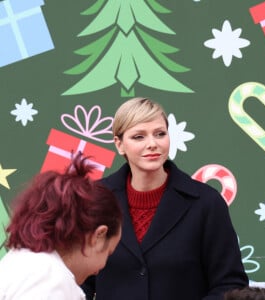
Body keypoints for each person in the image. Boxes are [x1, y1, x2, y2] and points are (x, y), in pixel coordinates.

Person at [82, 97, 249, 300]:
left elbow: (230, 284)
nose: (152, 144)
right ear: (119, 145)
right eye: (139, 137)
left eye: (160, 134)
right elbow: (80, 280)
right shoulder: (95, 200)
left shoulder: (206, 203)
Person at [0, 152, 122, 300]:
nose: (101, 268)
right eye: (108, 253)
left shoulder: (23, 263)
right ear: (99, 235)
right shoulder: (49, 280)